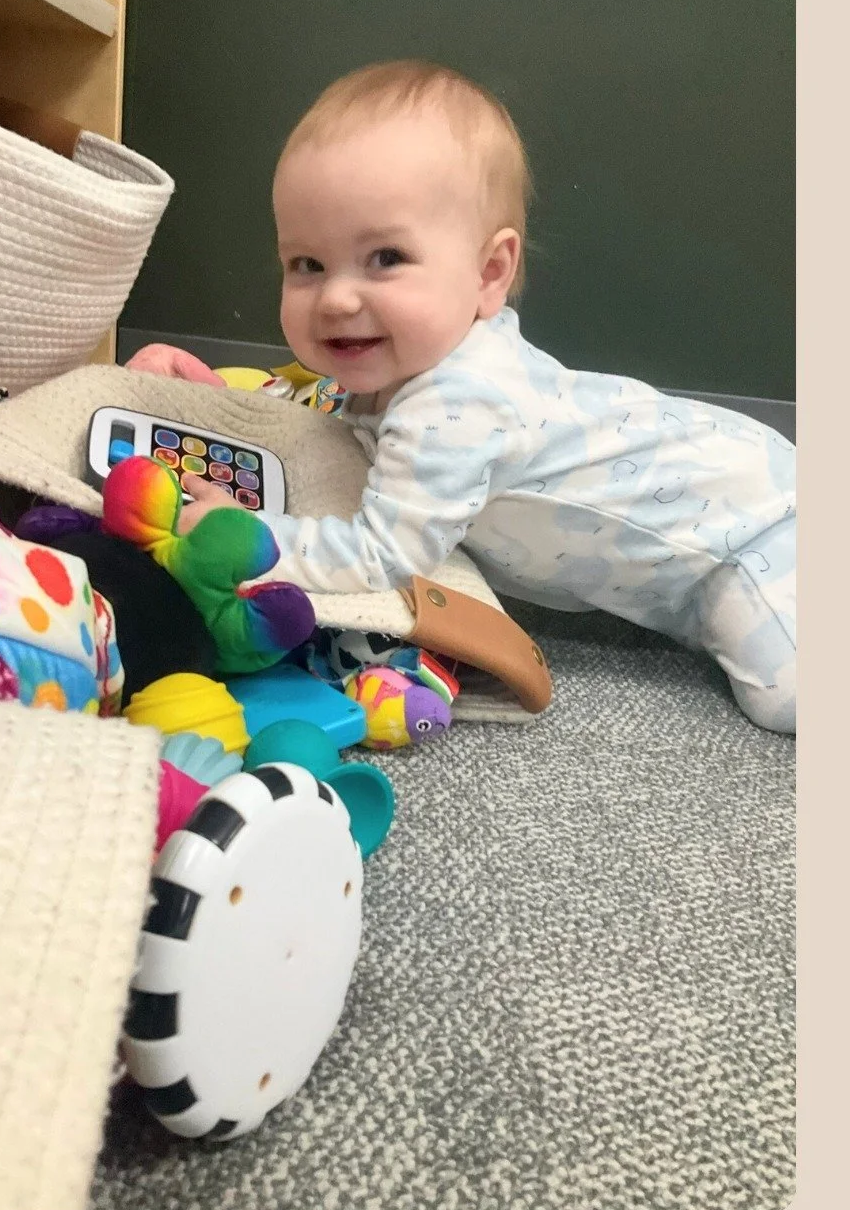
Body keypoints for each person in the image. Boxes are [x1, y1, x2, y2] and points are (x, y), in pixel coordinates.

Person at [126, 60, 796, 734]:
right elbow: (323, 431)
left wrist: (252, 537)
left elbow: (381, 554)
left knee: (788, 697)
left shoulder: (457, 404)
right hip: (726, 500)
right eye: (307, 264)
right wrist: (220, 404)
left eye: (385, 257)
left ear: (488, 273)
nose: (335, 297)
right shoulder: (409, 358)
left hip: (749, 534)